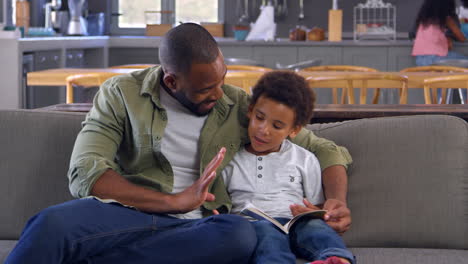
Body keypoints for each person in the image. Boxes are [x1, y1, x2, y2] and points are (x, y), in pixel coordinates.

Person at [5, 23, 352, 263]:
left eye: (222, 81)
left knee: (242, 236)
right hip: (127, 215)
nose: (219, 94)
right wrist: (171, 201)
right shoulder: (122, 94)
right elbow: (86, 171)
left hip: (200, 227)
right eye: (205, 89)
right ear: (171, 80)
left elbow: (325, 149)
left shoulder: (236, 105)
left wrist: (335, 199)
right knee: (50, 224)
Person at [220, 71, 354, 264]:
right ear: (250, 111)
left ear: (294, 130)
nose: (263, 130)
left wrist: (312, 213)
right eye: (259, 117)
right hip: (253, 222)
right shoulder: (231, 160)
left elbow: (316, 205)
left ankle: (336, 259)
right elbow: (224, 204)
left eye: (277, 126)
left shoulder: (304, 158)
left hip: (296, 221)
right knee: (267, 236)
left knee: (316, 229)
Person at [412, 0, 467, 66]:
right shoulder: (447, 19)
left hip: (420, 60)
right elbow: (462, 38)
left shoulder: (423, 21)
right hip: (437, 59)